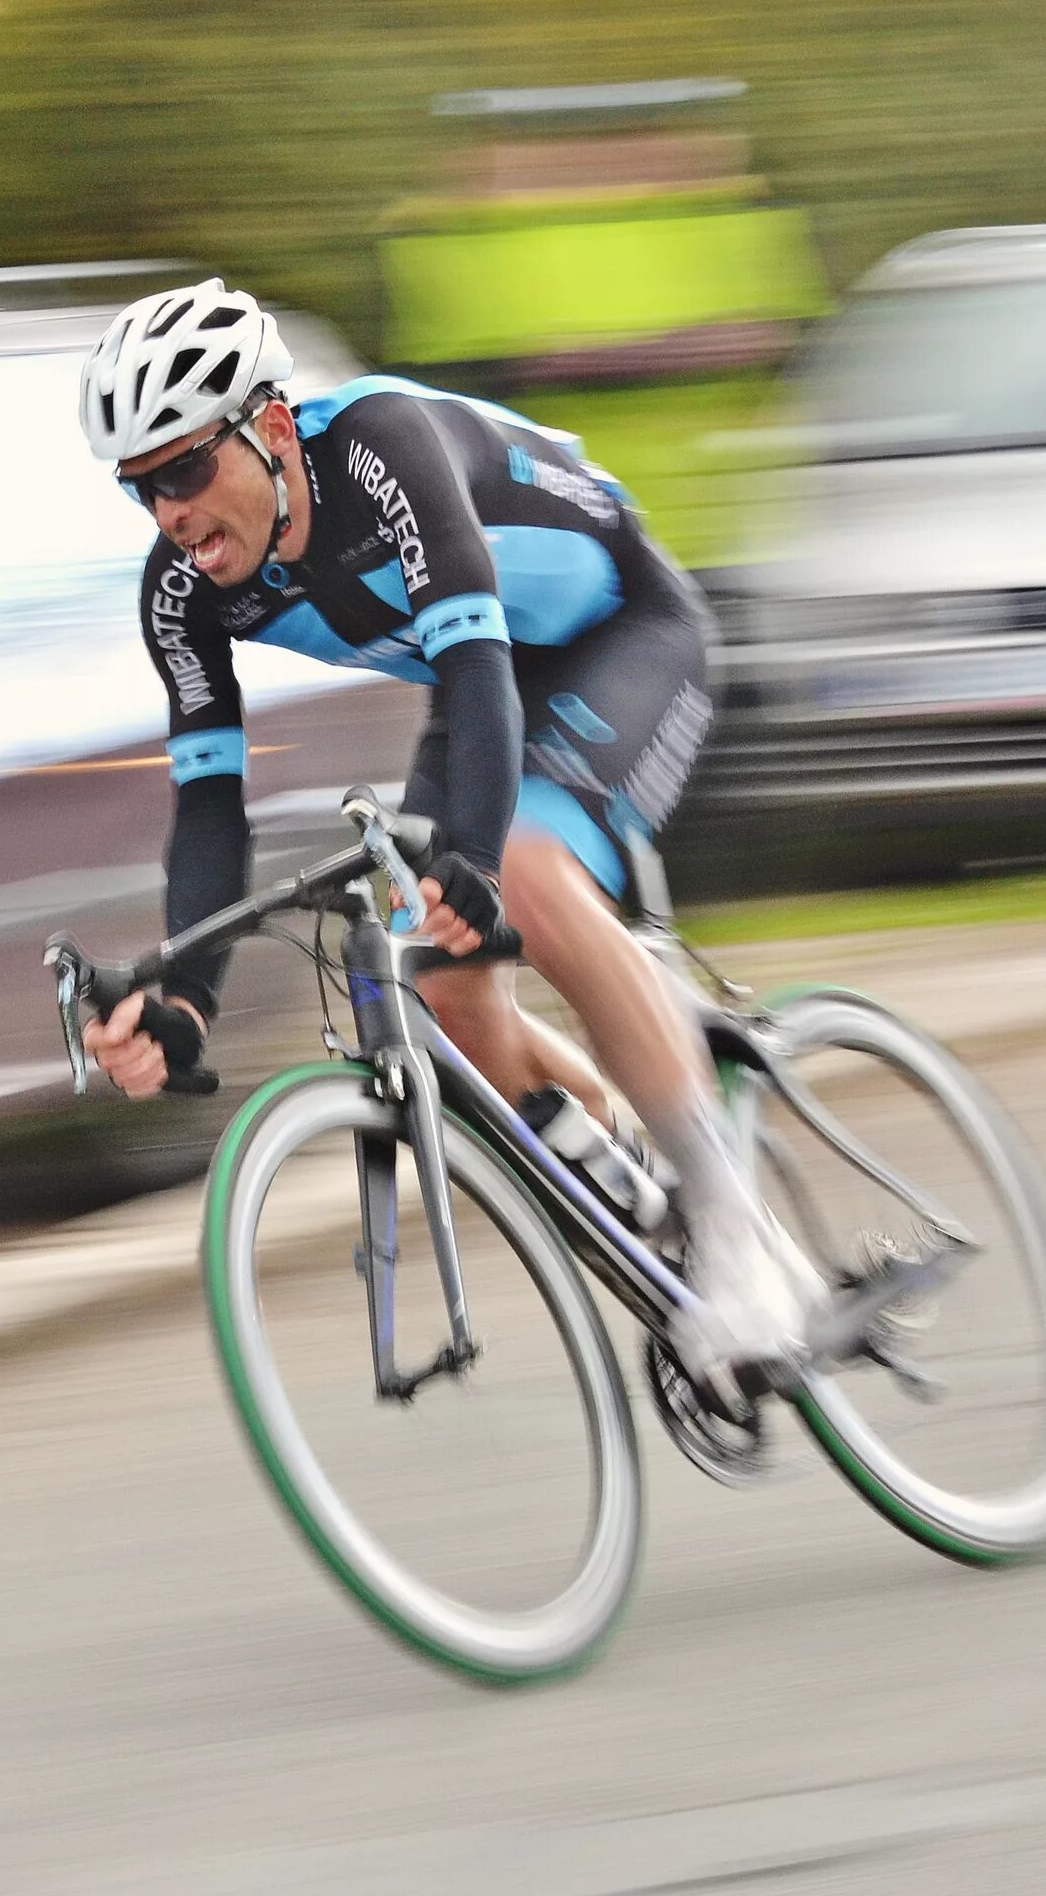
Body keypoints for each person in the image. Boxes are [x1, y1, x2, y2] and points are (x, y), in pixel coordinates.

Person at [72, 277, 824, 1400]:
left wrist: (469, 853)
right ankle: (632, 1171)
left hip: (623, 631)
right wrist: (187, 996)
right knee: (446, 991)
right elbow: (208, 806)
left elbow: (475, 669)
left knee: (513, 863)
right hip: (497, 684)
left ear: (271, 427)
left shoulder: (381, 445)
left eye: (185, 470)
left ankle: (736, 1231)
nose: (171, 513)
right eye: (143, 490)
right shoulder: (181, 592)